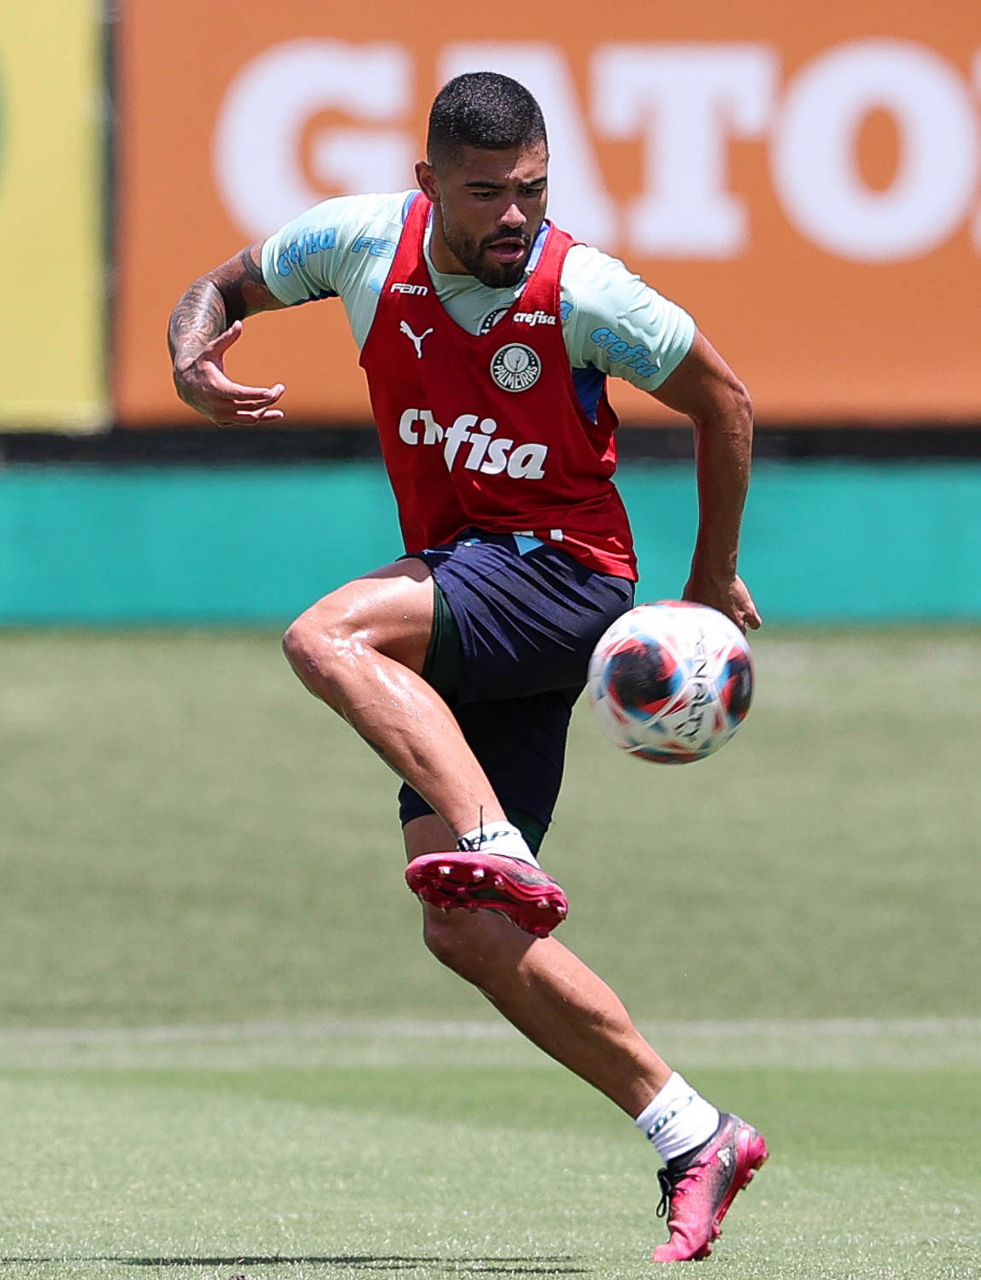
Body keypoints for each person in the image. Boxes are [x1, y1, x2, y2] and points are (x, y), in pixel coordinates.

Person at [168, 71, 767, 1263]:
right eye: (487, 193)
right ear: (427, 182)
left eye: (533, 190)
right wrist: (192, 355)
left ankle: (494, 837)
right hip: (469, 576)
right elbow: (221, 286)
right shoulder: (355, 243)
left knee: (327, 636)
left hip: (564, 576)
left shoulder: (585, 291)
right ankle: (693, 1131)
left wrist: (710, 577)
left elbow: (725, 402)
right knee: (468, 930)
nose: (515, 215)